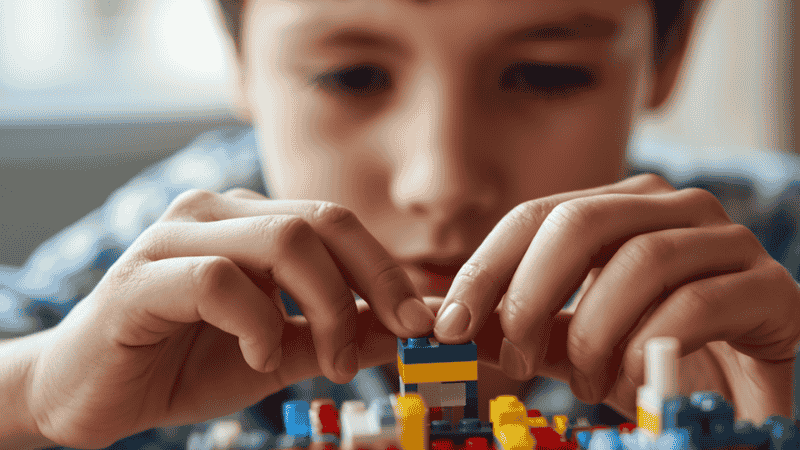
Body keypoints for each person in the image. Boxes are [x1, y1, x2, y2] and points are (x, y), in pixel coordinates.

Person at [1, 0, 798, 448]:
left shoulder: (774, 261)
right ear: (239, 61)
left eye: (546, 73)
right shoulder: (176, 245)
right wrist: (36, 394)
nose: (441, 182)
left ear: (669, 53)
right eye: (351, 75)